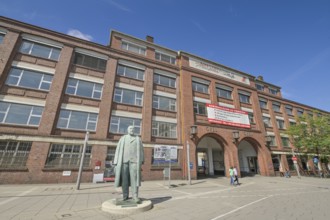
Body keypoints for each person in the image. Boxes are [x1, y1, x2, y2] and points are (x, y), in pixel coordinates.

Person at [113, 126, 144, 203]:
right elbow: (118, 149)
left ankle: (135, 196)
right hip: (124, 161)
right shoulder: (123, 138)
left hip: (134, 162)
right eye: (130, 129)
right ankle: (125, 196)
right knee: (124, 180)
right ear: (127, 130)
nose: (132, 130)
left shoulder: (138, 139)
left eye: (133, 129)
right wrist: (116, 162)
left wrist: (142, 160)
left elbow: (141, 150)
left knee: (135, 179)